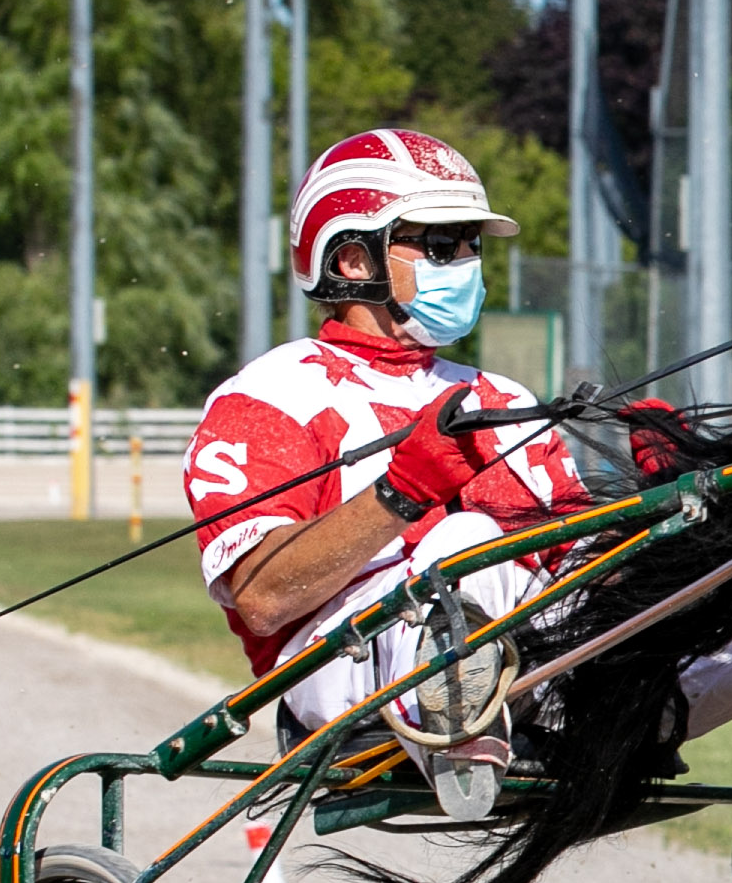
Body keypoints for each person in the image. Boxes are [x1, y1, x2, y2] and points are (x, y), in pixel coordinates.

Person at [183, 129, 615, 812]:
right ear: (354, 260)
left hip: (527, 665)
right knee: (462, 540)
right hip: (338, 676)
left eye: (473, 244)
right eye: (443, 245)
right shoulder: (268, 395)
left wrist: (673, 495)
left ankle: (626, 714)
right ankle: (458, 730)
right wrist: (399, 494)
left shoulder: (503, 398)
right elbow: (261, 598)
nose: (469, 262)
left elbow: (584, 573)